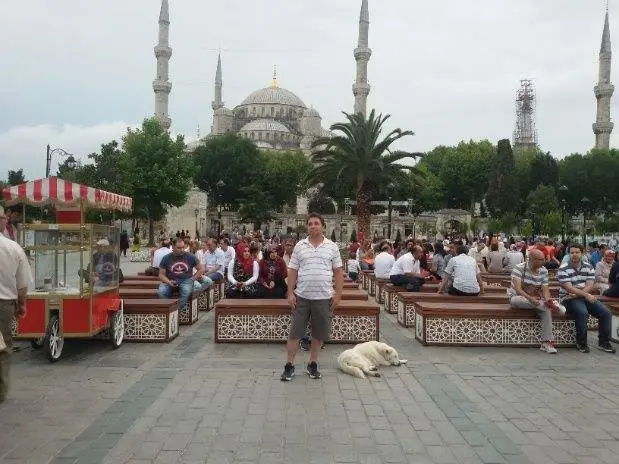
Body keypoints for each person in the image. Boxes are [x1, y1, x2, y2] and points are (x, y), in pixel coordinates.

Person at [281, 213, 343, 381]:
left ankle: (313, 364)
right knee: (295, 333)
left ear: (323, 226)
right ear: (307, 227)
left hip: (323, 297)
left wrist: (338, 294)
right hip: (302, 297)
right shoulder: (300, 246)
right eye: (310, 224)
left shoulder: (332, 247)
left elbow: (338, 272)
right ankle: (289, 364)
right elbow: (292, 270)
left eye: (316, 223)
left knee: (318, 334)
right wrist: (290, 292)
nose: (313, 226)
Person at [0, 206, 33, 402]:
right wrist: (22, 305)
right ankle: (1, 391)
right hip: (4, 305)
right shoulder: (12, 248)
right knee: (3, 346)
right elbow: (22, 284)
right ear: (2, 221)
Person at [557, 244, 615, 354]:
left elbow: (590, 285)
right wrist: (586, 295)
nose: (574, 255)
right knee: (583, 313)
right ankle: (582, 342)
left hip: (580, 296)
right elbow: (569, 288)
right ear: (569, 254)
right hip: (568, 299)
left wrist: (581, 294)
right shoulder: (563, 268)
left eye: (577, 252)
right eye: (572, 252)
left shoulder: (589, 267)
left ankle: (604, 342)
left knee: (606, 313)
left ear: (583, 253)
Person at [508, 249, 565, 354]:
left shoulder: (544, 271)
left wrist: (548, 300)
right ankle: (554, 307)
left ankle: (546, 343)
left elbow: (545, 290)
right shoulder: (519, 268)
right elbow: (518, 289)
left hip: (537, 301)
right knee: (543, 306)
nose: (544, 261)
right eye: (541, 259)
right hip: (518, 298)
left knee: (546, 308)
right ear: (533, 260)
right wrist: (531, 299)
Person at [157, 240, 205, 310]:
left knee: (186, 291)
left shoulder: (190, 256)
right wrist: (168, 282)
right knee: (161, 292)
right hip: (170, 281)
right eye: (179, 248)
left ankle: (178, 310)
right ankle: (169, 309)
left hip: (186, 281)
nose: (182, 250)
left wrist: (192, 279)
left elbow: (201, 269)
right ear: (173, 247)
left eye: (183, 247)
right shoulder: (166, 258)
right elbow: (161, 274)